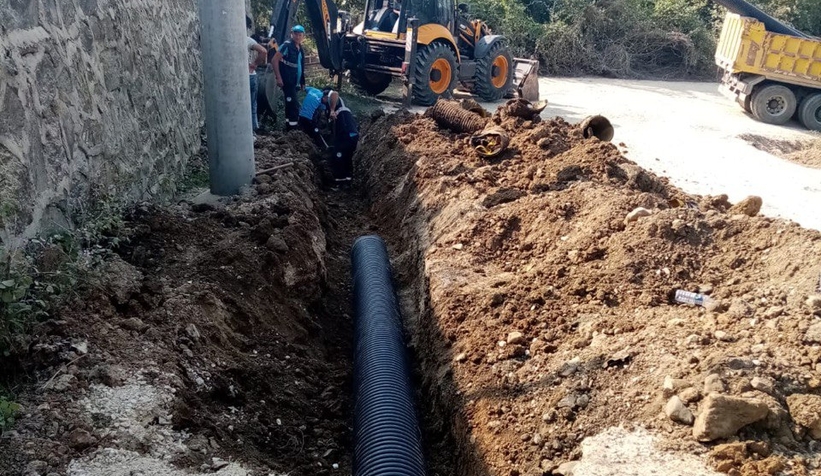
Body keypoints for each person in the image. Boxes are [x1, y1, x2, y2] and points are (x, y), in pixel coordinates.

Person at [273, 25, 307, 131]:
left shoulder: (300, 48)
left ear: (303, 36)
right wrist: (278, 77)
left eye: (299, 35)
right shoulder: (286, 46)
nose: (297, 37)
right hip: (288, 81)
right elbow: (274, 60)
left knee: (290, 104)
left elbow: (300, 65)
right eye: (295, 34)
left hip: (295, 82)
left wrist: (302, 81)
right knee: (294, 106)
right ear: (292, 34)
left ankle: (288, 127)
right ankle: (293, 130)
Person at [247, 17, 267, 133]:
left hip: (242, 77)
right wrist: (254, 65)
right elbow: (264, 51)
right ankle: (253, 130)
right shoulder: (247, 40)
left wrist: (253, 64)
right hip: (251, 76)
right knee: (252, 105)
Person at [330, 106, 359, 181]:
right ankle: (349, 178)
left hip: (346, 136)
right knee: (348, 157)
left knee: (338, 156)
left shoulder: (338, 114)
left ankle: (340, 179)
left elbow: (336, 130)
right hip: (353, 136)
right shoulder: (347, 112)